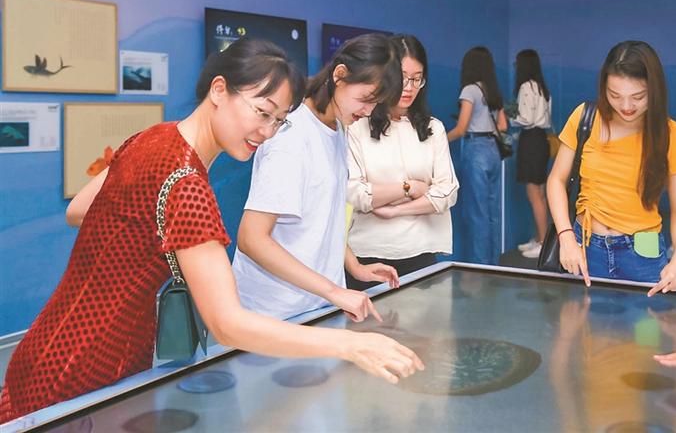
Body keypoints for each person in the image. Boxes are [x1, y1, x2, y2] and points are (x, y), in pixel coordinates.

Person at [0, 39, 423, 423]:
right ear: (219, 90)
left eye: (278, 121)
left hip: (49, 349)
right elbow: (227, 324)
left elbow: (79, 210)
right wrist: (353, 346)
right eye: (261, 112)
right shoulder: (186, 186)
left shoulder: (152, 137)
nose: (266, 132)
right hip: (86, 371)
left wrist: (142, 243)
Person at [232, 34, 404, 322]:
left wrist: (353, 265)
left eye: (376, 104)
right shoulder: (292, 135)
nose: (368, 112)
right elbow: (252, 238)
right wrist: (333, 291)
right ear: (340, 75)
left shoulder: (337, 127)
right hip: (275, 312)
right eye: (366, 99)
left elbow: (322, 216)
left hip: (317, 305)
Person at [547, 40, 676, 295]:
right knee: (581, 320)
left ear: (654, 91)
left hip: (643, 252)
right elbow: (556, 181)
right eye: (615, 95)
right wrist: (566, 236)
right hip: (584, 248)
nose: (626, 106)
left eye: (638, 97)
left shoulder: (673, 135)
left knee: (647, 322)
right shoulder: (585, 118)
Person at [346, 34, 459, 291]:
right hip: (366, 254)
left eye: (417, 79)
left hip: (421, 251)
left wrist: (394, 210)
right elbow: (355, 193)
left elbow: (447, 192)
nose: (409, 87)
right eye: (402, 77)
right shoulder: (357, 126)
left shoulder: (434, 129)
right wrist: (411, 188)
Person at [447, 46, 508, 265]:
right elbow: (503, 125)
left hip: (476, 151)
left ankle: (480, 266)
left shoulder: (469, 90)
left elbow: (461, 129)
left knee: (477, 213)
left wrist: (440, 140)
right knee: (492, 213)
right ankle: (494, 265)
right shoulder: (493, 91)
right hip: (493, 151)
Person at [511, 49, 553, 259]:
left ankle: (543, 242)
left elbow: (526, 118)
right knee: (541, 194)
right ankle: (539, 238)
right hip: (541, 140)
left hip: (531, 141)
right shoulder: (543, 88)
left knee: (534, 195)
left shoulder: (526, 87)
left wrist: (509, 117)